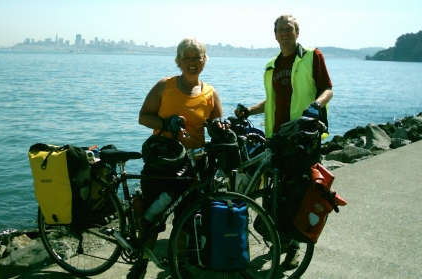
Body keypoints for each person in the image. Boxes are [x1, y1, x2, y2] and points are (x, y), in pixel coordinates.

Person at [235, 14, 333, 268]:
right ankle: (278, 235)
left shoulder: (312, 56)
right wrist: (249, 111)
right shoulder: (272, 65)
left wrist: (316, 106)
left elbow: (327, 89)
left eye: (289, 29)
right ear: (275, 35)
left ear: (297, 32)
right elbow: (273, 102)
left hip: (303, 137)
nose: (285, 33)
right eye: (280, 29)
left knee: (299, 192)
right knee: (278, 193)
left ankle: (294, 248)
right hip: (277, 138)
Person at [129, 37, 228, 279]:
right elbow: (143, 117)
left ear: (204, 61)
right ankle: (141, 263)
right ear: (179, 60)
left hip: (193, 165)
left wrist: (223, 128)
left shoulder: (210, 93)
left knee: (185, 217)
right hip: (161, 161)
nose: (192, 62)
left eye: (198, 57)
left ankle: (180, 265)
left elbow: (216, 127)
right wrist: (166, 124)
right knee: (152, 216)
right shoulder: (165, 85)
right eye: (187, 57)